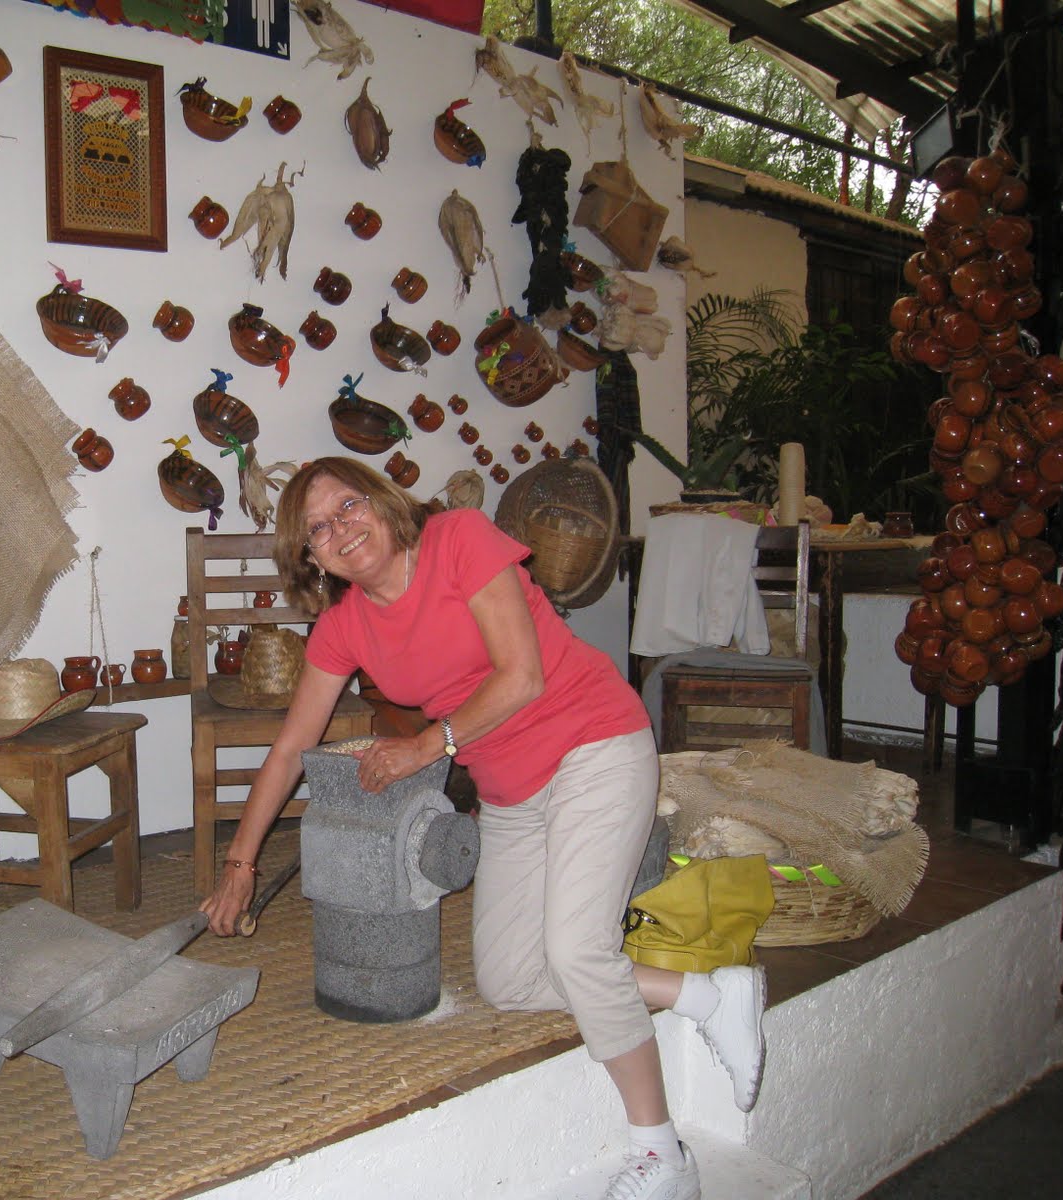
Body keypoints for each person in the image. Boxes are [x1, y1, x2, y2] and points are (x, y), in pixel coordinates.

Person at [200, 457, 767, 1200]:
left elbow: (522, 677)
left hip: (593, 744)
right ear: (310, 558)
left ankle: (663, 1154)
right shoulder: (342, 628)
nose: (340, 529)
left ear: (383, 502)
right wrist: (239, 866)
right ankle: (706, 997)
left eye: (348, 505)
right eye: (317, 529)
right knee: (512, 980)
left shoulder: (459, 539)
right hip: (511, 793)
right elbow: (288, 750)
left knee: (577, 949)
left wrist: (424, 747)